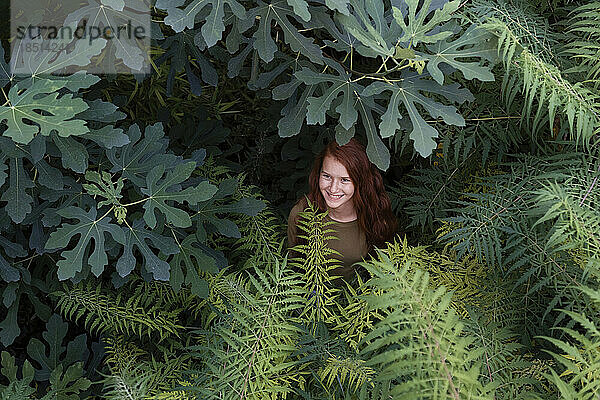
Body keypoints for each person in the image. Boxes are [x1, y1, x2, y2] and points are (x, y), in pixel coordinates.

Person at [287, 138, 397, 282]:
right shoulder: (301, 214)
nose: (333, 189)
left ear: (361, 181)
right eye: (327, 176)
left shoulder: (375, 213)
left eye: (344, 180)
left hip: (360, 298)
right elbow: (293, 267)